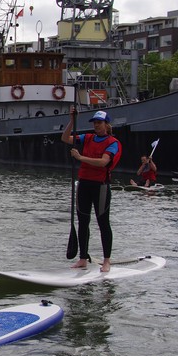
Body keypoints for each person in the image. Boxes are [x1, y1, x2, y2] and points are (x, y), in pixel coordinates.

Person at [61, 108, 122, 272]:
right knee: (83, 222)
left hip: (100, 186)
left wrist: (80, 157)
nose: (96, 125)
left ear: (106, 124)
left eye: (99, 123)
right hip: (84, 184)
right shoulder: (87, 138)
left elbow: (103, 162)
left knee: (103, 223)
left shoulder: (113, 143)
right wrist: (72, 121)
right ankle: (83, 258)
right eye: (94, 122)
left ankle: (106, 260)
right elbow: (65, 138)